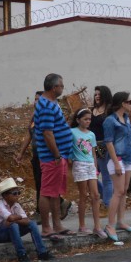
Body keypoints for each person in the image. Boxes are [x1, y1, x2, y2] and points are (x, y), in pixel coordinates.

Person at [34, 74, 75, 238]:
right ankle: (46, 228)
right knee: (46, 192)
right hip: (51, 156)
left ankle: (57, 224)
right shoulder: (45, 106)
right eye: (61, 86)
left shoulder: (53, 103)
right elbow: (47, 133)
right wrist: (56, 154)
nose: (63, 89)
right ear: (54, 88)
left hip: (60, 155)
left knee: (55, 192)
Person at [0, 178, 52, 262]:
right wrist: (17, 218)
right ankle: (22, 254)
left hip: (9, 230)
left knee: (32, 224)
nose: (17, 195)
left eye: (18, 193)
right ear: (5, 195)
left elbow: (26, 220)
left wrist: (15, 219)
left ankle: (42, 252)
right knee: (13, 225)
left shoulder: (16, 205)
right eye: (14, 193)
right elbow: (10, 218)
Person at [103, 91, 131, 243]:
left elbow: (127, 138)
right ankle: (110, 225)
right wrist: (116, 162)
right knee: (118, 191)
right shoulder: (110, 121)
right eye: (129, 101)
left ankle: (121, 221)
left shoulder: (127, 118)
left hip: (128, 158)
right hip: (117, 159)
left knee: (124, 190)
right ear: (122, 103)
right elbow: (109, 142)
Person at [69, 108, 104, 237]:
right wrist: (70, 159)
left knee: (95, 195)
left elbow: (93, 153)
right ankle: (82, 225)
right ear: (78, 120)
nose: (88, 121)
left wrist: (95, 168)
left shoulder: (91, 134)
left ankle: (97, 226)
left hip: (90, 165)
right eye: (85, 119)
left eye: (89, 119)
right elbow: (67, 147)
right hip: (79, 164)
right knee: (83, 195)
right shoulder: (72, 132)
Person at [91, 85, 114, 209]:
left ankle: (107, 204)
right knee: (92, 175)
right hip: (93, 146)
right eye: (95, 94)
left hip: (106, 145)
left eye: (99, 94)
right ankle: (107, 198)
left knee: (106, 176)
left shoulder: (109, 111)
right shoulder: (92, 110)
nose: (97, 96)